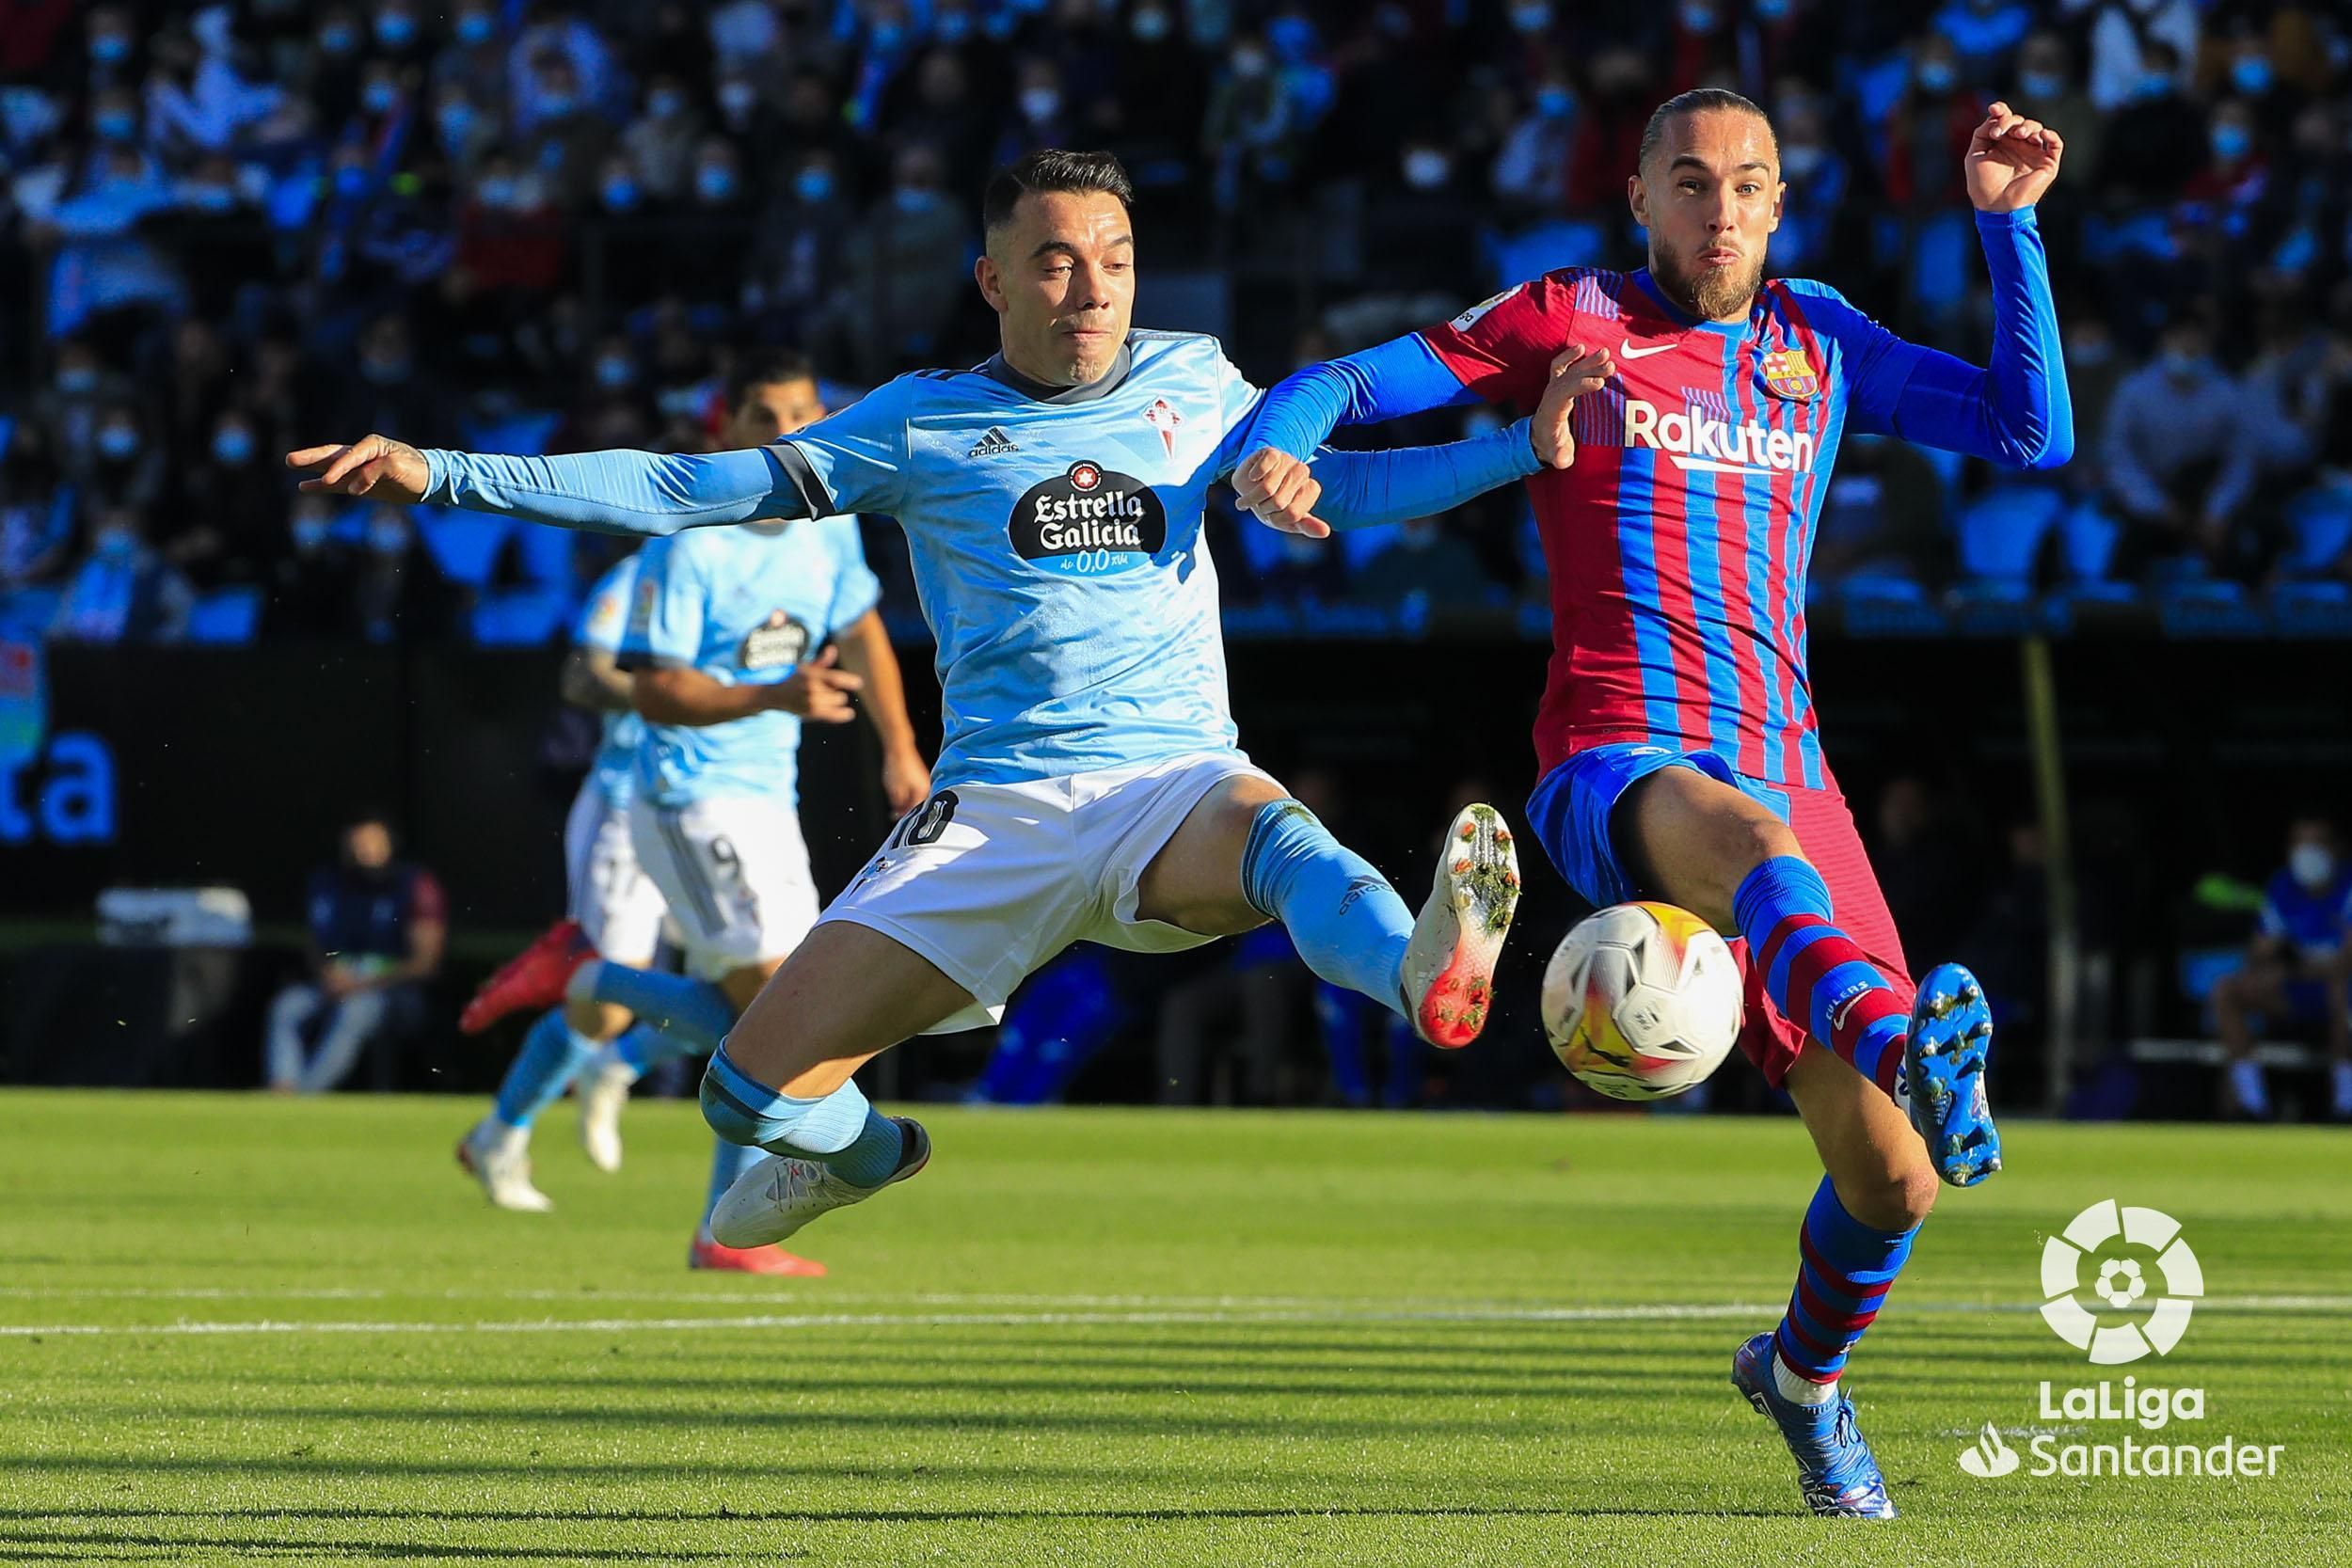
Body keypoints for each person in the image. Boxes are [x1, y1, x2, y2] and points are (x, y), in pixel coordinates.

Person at [288, 149, 1574, 1261]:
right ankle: (865, 1154)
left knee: (1280, 838)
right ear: (993, 282)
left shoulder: (1195, 383)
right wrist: (441, 470)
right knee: (743, 1094)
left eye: (1116, 260)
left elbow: (1342, 486)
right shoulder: (921, 424)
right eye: (1057, 263)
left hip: (1170, 777)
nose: (1093, 289)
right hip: (996, 807)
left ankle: (1418, 968)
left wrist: (1522, 447)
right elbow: (686, 488)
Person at [1233, 90, 2072, 1518]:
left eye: (1747, 184)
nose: (1719, 210)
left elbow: (2028, 431)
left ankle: (1801, 1379)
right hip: (1616, 757)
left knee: (1894, 1184)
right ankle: (1904, 1041)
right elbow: (1352, 383)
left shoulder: (1819, 338)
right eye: (1689, 182)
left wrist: (2010, 229)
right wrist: (1279, 442)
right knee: (1756, 850)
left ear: (1781, 204)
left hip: (1789, 766)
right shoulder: (1572, 316)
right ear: (1639, 198)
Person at [456, 352, 930, 1275]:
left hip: (766, 797)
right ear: (727, 430)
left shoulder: (829, 526)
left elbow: (862, 627)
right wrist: (771, 696)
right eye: (765, 416)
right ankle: (726, 1198)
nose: (788, 432)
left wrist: (899, 745)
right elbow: (650, 689)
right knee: (785, 1012)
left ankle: (598, 992)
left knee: (764, 1014)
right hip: (689, 795)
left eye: (802, 412)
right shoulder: (690, 545)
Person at [265, 814, 445, 1092]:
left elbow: (424, 964)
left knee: (357, 1009)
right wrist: (327, 973)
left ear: (390, 846)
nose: (364, 854)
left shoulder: (416, 885)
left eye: (373, 845)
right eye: (358, 846)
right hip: (337, 986)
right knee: (288, 1006)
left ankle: (305, 1096)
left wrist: (362, 983)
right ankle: (283, 1088)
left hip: (395, 993)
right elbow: (315, 945)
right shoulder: (329, 884)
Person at [2211, 816, 2352, 1122]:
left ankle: (2346, 1104)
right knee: (2227, 989)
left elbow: (2345, 962)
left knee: (2342, 988)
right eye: (2300, 842)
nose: (2307, 852)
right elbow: (2261, 950)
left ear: (2336, 848)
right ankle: (2251, 1104)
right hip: (2295, 993)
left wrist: (2293, 968)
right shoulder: (2283, 885)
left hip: (2339, 994)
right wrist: (2274, 963)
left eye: (2316, 842)